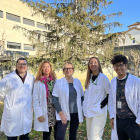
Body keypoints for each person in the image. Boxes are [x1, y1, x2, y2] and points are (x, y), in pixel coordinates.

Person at [0, 57, 34, 140]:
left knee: (25, 137)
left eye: (24, 64)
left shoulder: (32, 78)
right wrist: (11, 104)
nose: (22, 66)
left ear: (27, 66)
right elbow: (1, 96)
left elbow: (33, 94)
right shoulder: (7, 79)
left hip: (26, 114)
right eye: (20, 64)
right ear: (16, 65)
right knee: (12, 137)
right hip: (13, 115)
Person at [108, 54, 140, 140]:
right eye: (116, 65)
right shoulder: (113, 81)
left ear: (125, 66)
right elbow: (111, 100)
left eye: (121, 65)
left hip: (133, 120)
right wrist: (112, 117)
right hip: (119, 121)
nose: (119, 67)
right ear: (114, 67)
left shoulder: (136, 81)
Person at [52, 61, 84, 140]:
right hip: (63, 113)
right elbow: (54, 99)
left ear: (73, 70)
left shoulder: (77, 82)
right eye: (66, 68)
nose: (68, 70)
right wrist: (61, 114)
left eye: (70, 68)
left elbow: (82, 97)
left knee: (73, 135)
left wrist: (83, 111)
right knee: (59, 136)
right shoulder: (59, 82)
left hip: (75, 113)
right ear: (63, 71)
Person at [83, 57, 110, 140]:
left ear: (98, 64)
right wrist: (84, 110)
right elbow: (87, 97)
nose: (93, 64)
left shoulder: (103, 78)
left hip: (99, 112)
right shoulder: (88, 79)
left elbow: (110, 95)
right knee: (90, 137)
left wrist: (100, 106)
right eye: (91, 62)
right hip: (89, 112)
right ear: (88, 65)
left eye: (95, 62)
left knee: (95, 137)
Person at [33, 61, 57, 140]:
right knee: (46, 135)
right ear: (41, 69)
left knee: (58, 134)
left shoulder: (55, 81)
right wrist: (39, 114)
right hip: (46, 111)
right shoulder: (37, 82)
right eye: (44, 67)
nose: (46, 68)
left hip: (56, 110)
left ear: (51, 68)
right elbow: (35, 100)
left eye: (48, 66)